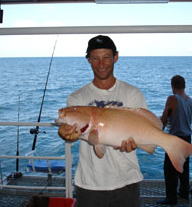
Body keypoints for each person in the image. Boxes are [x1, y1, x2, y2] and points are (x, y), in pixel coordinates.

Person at [58, 35, 147, 207]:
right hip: (89, 184)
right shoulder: (76, 98)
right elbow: (71, 131)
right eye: (95, 58)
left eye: (106, 57)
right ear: (88, 60)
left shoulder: (133, 94)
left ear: (116, 57)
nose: (101, 64)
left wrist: (137, 142)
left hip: (127, 181)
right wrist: (65, 134)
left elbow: (142, 129)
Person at [157, 75, 192, 204]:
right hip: (187, 138)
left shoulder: (172, 99)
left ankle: (171, 198)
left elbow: (163, 120)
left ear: (173, 86)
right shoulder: (190, 101)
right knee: (183, 167)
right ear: (184, 86)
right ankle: (184, 193)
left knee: (170, 169)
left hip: (175, 138)